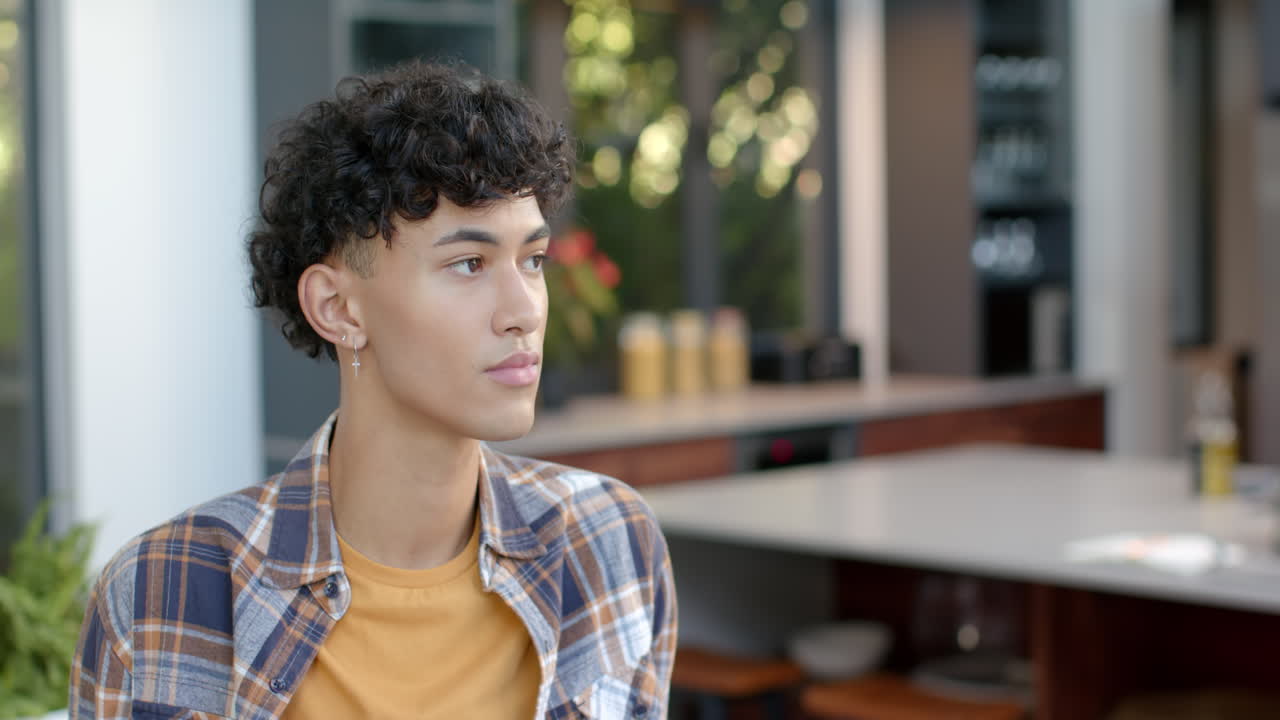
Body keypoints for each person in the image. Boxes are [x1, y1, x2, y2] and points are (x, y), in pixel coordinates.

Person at [69, 61, 676, 719]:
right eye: (468, 264)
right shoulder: (167, 591)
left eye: (532, 260)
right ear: (338, 308)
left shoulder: (610, 540)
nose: (524, 309)